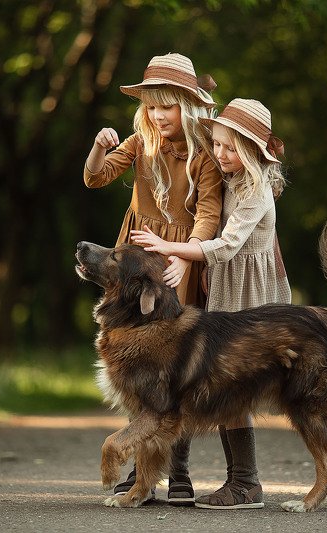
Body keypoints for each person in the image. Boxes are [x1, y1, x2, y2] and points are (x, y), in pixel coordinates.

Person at [130, 98, 292, 510]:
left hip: (250, 297)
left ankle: (246, 483)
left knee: (235, 388)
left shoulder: (256, 191)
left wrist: (172, 248)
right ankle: (240, 482)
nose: (220, 154)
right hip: (227, 288)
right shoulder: (233, 181)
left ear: (255, 151)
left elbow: (227, 244)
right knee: (224, 387)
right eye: (217, 145)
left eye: (230, 148)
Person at [83, 53, 223, 505]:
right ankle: (141, 472)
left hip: (177, 260)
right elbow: (95, 177)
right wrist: (100, 147)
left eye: (169, 106)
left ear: (188, 104)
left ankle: (178, 471)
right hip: (139, 256)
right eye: (152, 106)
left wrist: (186, 255)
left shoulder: (203, 153)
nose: (160, 115)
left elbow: (208, 213)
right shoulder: (138, 141)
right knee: (138, 367)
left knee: (173, 367)